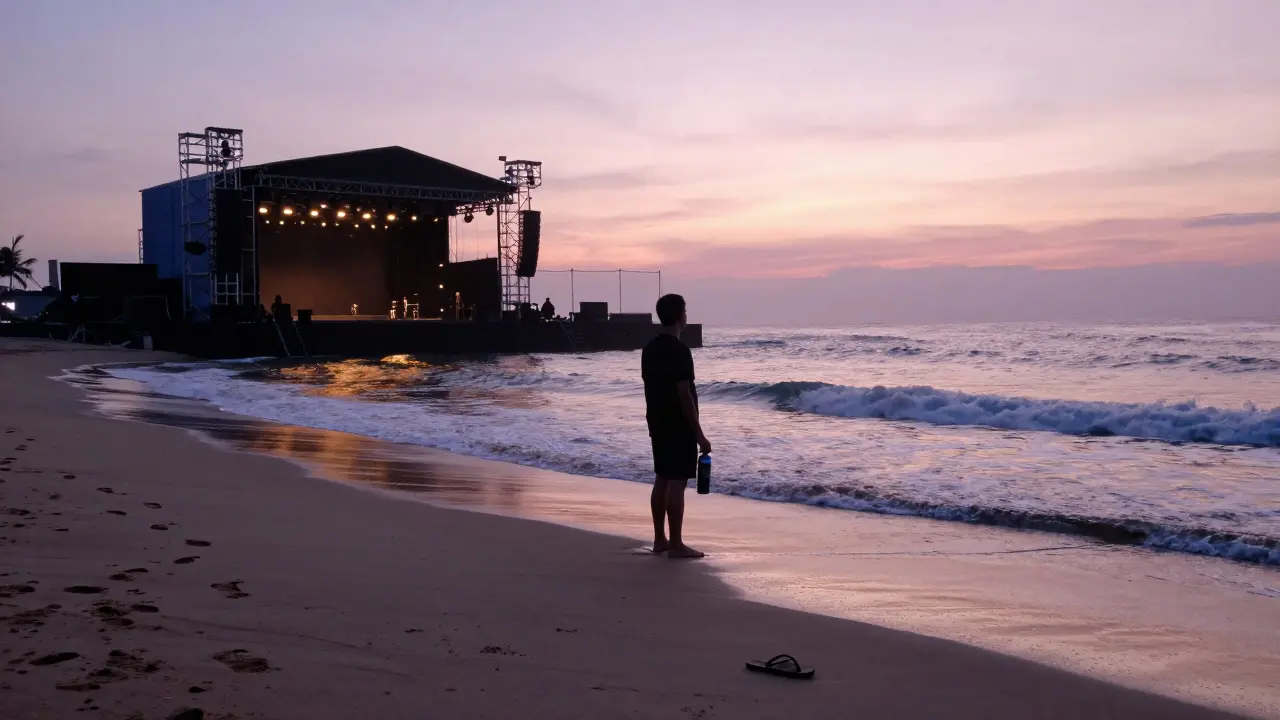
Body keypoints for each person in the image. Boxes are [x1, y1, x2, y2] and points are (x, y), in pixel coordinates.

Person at [641, 293, 710, 559]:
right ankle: (677, 544)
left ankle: (660, 539)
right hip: (678, 424)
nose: (686, 315)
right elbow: (684, 394)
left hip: (656, 420)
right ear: (680, 316)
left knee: (661, 478)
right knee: (677, 483)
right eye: (685, 310)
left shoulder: (650, 349)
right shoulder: (680, 351)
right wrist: (700, 434)